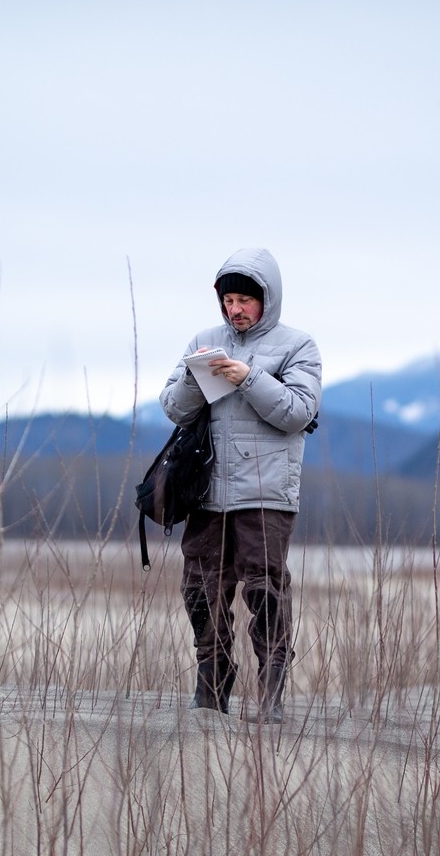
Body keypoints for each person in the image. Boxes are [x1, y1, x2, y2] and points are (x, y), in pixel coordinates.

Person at [160, 248, 322, 723]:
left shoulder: (299, 346)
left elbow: (298, 412)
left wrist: (249, 378)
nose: (236, 309)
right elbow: (172, 407)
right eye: (229, 299)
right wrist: (199, 375)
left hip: (266, 492)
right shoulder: (205, 340)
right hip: (207, 492)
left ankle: (271, 695)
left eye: (246, 300)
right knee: (199, 590)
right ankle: (212, 686)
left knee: (264, 591)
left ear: (266, 300)